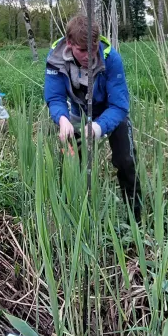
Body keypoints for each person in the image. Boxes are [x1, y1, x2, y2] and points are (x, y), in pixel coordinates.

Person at [44, 15, 142, 220]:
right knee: (71, 164)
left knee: (125, 160)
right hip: (78, 113)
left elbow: (119, 105)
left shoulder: (111, 58)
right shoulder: (55, 59)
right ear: (70, 44)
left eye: (93, 48)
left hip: (111, 113)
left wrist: (98, 127)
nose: (89, 55)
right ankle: (77, 215)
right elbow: (55, 97)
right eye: (82, 50)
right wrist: (62, 119)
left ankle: (136, 218)